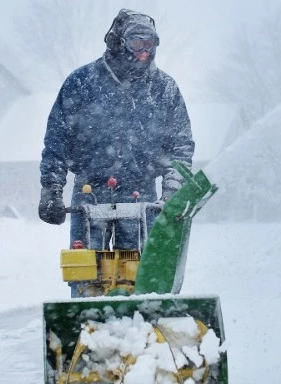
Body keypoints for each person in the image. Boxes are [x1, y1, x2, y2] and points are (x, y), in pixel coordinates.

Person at [38, 9, 194, 254]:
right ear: (118, 42)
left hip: (141, 194)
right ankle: (87, 293)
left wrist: (172, 191)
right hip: (90, 192)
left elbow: (180, 145)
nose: (144, 51)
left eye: (150, 43)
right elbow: (58, 139)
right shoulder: (82, 82)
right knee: (87, 272)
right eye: (136, 42)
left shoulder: (164, 89)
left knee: (139, 273)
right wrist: (51, 188)